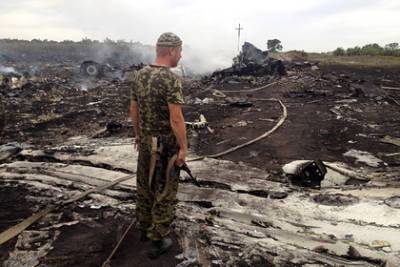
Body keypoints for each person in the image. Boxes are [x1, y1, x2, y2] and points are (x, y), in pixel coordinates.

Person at [130, 32, 187, 259]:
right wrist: (183, 147)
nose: (181, 56)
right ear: (172, 50)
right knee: (164, 190)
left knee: (144, 185)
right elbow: (176, 119)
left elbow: (133, 109)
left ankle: (144, 228)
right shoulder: (171, 79)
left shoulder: (140, 75)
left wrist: (138, 134)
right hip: (164, 147)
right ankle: (159, 237)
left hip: (145, 143)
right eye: (180, 51)